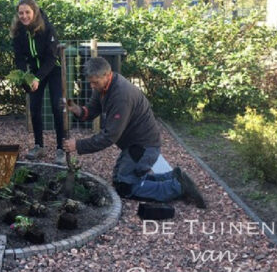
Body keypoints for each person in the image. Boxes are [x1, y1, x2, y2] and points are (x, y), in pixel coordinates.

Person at [63, 57, 206, 208]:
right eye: (90, 82)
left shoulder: (120, 96)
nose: (92, 87)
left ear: (107, 74)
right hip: (134, 144)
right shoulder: (103, 87)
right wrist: (74, 107)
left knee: (126, 188)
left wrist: (78, 145)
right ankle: (174, 176)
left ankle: (178, 187)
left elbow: (110, 136)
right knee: (120, 180)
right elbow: (90, 111)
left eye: (95, 82)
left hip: (144, 147)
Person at [11, 0, 65, 165]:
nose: (24, 16)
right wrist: (23, 77)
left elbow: (51, 58)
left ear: (34, 12)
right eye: (21, 13)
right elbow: (19, 58)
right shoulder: (18, 32)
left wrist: (37, 78)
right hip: (34, 71)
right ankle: (39, 145)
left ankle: (61, 148)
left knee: (57, 105)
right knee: (34, 108)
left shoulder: (47, 28)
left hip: (52, 70)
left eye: (27, 12)